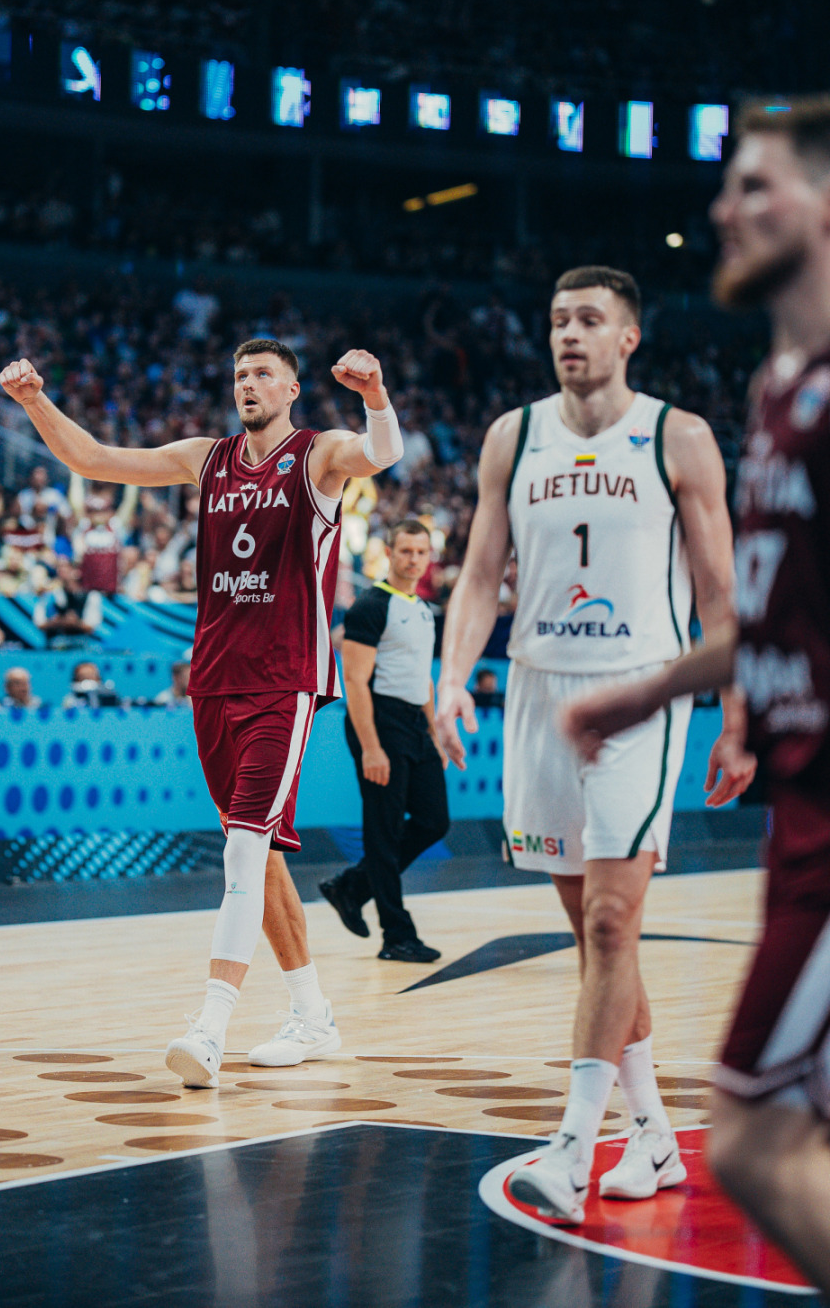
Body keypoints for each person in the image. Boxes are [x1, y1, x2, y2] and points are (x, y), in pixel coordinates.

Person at [561, 97, 830, 1293]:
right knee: (775, 1135)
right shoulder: (777, 391)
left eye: (756, 186)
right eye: (726, 186)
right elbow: (767, 614)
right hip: (800, 811)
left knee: (757, 1141)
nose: (724, 208)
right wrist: (648, 695)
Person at [435, 265, 752, 1224]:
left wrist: (738, 713)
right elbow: (480, 573)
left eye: (589, 320)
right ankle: (652, 1134)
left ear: (628, 337)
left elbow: (720, 591)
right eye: (558, 320)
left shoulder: (677, 435)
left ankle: (574, 1149)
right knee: (593, 937)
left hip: (641, 688)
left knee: (615, 922)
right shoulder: (513, 435)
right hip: (538, 690)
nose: (569, 334)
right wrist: (452, 677)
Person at [0, 336, 403, 1088]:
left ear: (290, 391)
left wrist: (374, 394)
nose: (248, 384)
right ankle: (313, 1016)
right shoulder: (206, 458)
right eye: (240, 374)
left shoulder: (318, 455)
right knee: (263, 856)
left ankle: (209, 1027)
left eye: (263, 375)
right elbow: (94, 459)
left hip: (284, 678)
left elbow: (382, 452)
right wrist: (34, 402)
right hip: (214, 680)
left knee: (243, 851)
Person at [319, 519, 449, 961]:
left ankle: (352, 887)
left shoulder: (424, 609)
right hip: (379, 720)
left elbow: (423, 677)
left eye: (421, 552)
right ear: (389, 553)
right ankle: (396, 935)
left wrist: (434, 734)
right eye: (406, 551)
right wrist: (371, 747)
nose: (414, 559)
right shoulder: (371, 605)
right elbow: (355, 680)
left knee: (434, 821)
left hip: (414, 723)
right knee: (384, 829)